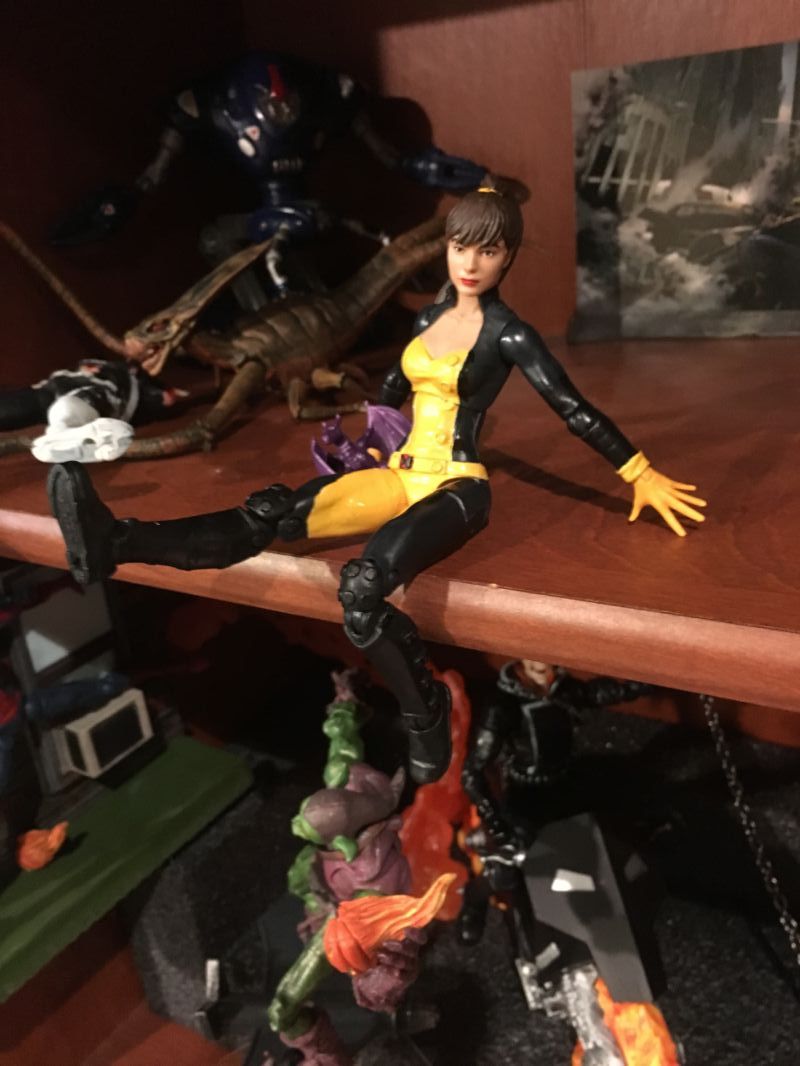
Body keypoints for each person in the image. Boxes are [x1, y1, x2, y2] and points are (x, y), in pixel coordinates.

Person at [47, 182, 706, 785]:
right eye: (460, 246)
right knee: (272, 513)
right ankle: (117, 541)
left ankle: (426, 710)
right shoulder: (426, 320)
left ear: (508, 257)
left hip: (456, 487)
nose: (470, 262)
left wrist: (639, 473)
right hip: (397, 472)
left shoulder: (509, 335)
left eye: (488, 251)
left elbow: (572, 408)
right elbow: (394, 383)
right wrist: (366, 430)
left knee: (362, 590)